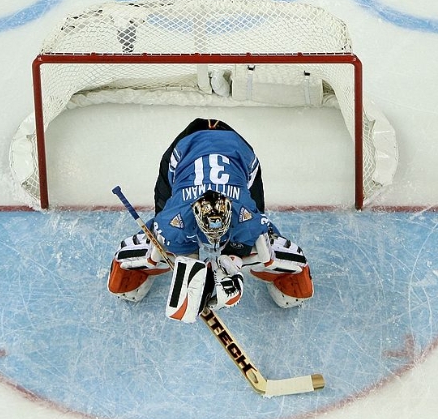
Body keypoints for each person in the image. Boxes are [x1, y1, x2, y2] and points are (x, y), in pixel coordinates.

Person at [106, 118, 314, 320]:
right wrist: (190, 265)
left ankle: (278, 268)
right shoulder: (175, 218)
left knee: (261, 236)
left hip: (239, 153)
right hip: (184, 150)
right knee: (160, 233)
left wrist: (234, 261)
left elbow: (255, 230)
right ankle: (137, 262)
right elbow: (179, 249)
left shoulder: (245, 213)